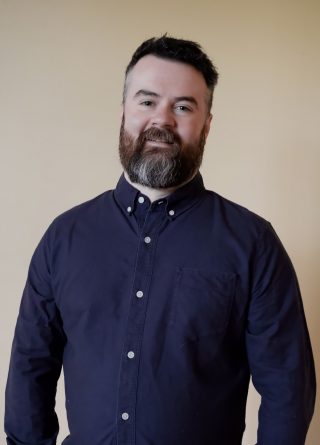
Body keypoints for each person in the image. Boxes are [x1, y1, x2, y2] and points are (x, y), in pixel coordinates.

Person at [5, 35, 316, 445]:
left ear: (206, 124)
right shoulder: (64, 237)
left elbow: (287, 385)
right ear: (123, 112)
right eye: (147, 101)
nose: (163, 120)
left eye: (183, 106)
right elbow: (31, 366)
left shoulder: (252, 243)